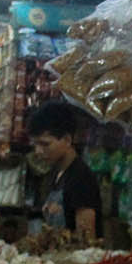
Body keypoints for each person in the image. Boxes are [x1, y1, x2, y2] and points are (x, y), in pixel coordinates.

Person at [26, 100, 100, 243]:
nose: (38, 151)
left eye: (45, 144)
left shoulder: (81, 177)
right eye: (35, 144)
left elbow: (86, 241)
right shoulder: (57, 172)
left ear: (67, 140)